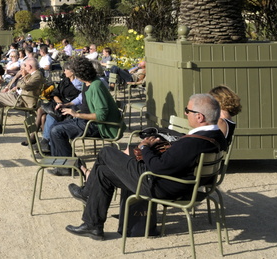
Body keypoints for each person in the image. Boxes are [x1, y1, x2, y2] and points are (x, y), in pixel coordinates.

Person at [64, 93, 226, 240]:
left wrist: (145, 147)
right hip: (184, 185)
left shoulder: (192, 143)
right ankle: (93, 226)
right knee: (103, 172)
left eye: (187, 111)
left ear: (199, 117)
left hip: (159, 186)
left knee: (107, 152)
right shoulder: (218, 136)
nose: (185, 113)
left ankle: (86, 193)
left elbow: (157, 167)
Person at [48, 56, 121, 173]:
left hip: (99, 126)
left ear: (80, 74)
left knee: (56, 131)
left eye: (75, 74)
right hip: (87, 121)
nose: (74, 77)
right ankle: (63, 164)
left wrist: (76, 115)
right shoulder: (87, 84)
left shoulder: (96, 86)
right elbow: (81, 100)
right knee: (54, 127)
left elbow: (101, 116)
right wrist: (66, 105)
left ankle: (68, 167)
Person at [0, 57, 45, 134]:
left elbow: (23, 86)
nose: (23, 68)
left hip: (23, 101)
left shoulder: (37, 75)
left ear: (30, 66)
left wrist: (22, 77)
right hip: (19, 97)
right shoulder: (31, 74)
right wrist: (17, 77)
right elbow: (19, 85)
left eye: (25, 66)